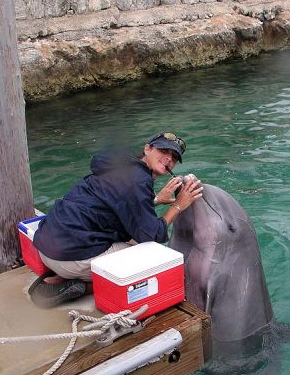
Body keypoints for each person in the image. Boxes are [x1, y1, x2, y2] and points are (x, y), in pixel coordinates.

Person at [30, 132, 203, 308]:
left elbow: (115, 206)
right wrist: (179, 205)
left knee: (132, 237)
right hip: (69, 258)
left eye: (174, 158)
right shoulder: (137, 181)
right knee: (150, 256)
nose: (168, 158)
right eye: (164, 150)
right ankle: (85, 286)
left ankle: (61, 277)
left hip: (47, 248)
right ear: (147, 148)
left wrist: (155, 200)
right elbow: (154, 234)